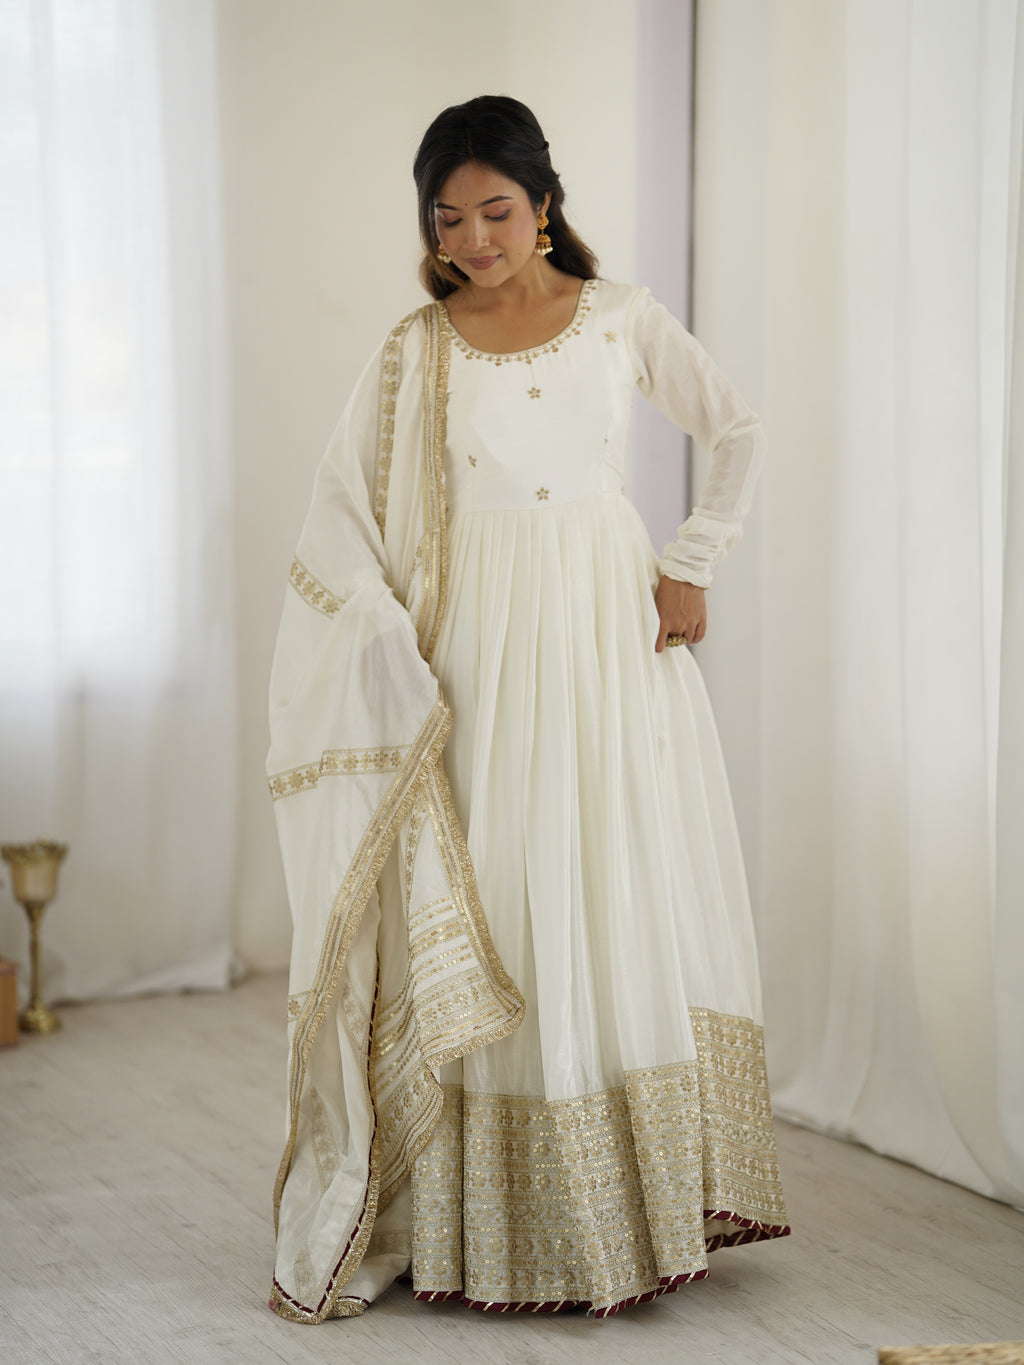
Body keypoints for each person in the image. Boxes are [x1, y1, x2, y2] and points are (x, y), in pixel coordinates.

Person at [266, 95, 789, 1325]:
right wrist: (386, 639)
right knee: (500, 882)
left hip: (605, 629)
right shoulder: (415, 348)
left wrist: (694, 558)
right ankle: (484, 1216)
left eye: (496, 210)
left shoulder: (617, 318)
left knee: (601, 876)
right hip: (475, 652)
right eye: (450, 217)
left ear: (544, 206)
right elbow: (339, 512)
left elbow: (739, 428)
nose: (475, 237)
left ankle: (635, 1200)